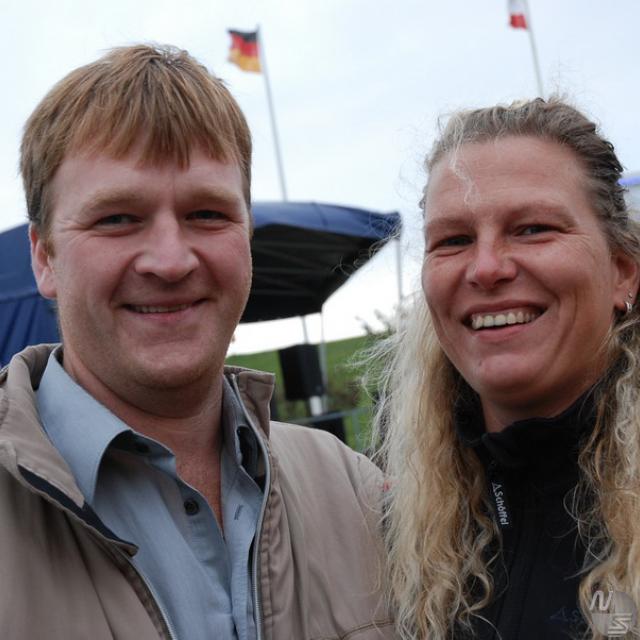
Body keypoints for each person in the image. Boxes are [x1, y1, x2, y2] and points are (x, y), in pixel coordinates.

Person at [0, 44, 394, 640]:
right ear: (44, 257)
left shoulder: (353, 491)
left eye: (207, 214)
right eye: (117, 218)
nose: (171, 260)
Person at [372, 97, 640, 639]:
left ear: (622, 272)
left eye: (533, 228)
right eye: (454, 240)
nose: (486, 267)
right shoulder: (391, 536)